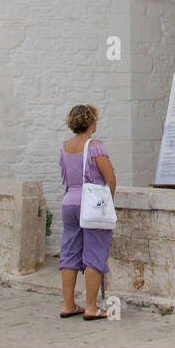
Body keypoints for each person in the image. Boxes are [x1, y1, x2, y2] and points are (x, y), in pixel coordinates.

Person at [58, 103, 117, 320]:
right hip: (90, 205)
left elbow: (65, 178)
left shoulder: (65, 147)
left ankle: (68, 305)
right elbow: (110, 179)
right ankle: (91, 307)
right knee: (94, 254)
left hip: (69, 203)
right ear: (90, 121)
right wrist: (107, 205)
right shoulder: (95, 146)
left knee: (69, 253)